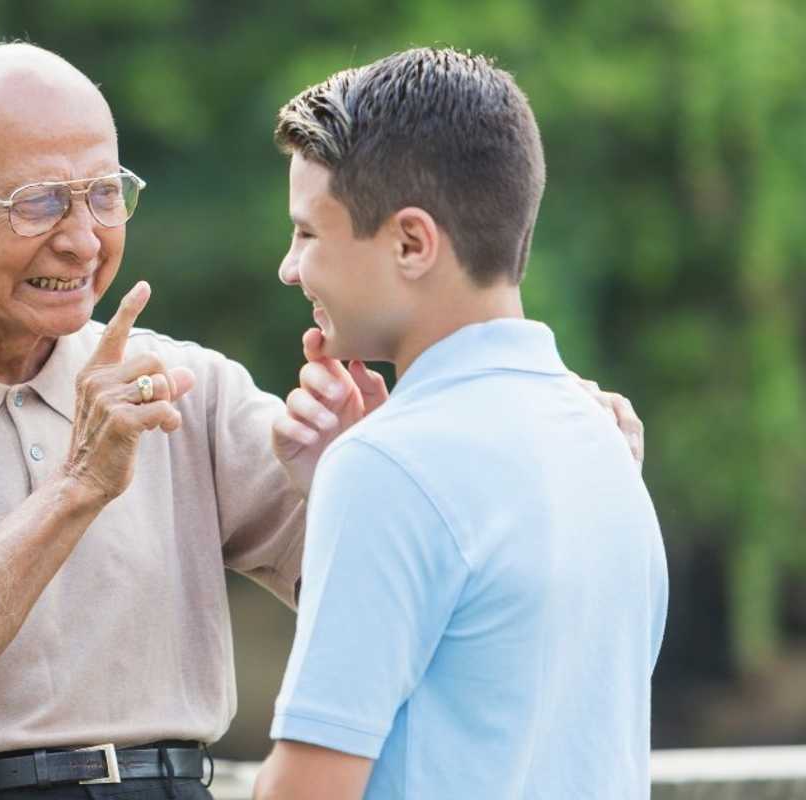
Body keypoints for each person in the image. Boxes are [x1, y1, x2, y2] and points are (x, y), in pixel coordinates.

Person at [0, 43, 645, 799]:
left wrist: (355, 468)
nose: (84, 238)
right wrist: (77, 490)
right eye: (39, 202)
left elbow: (390, 586)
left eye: (104, 194)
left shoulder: (187, 382)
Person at [252, 49, 668, 800]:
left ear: (411, 242)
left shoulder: (387, 467)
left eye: (308, 234)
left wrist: (362, 480)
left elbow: (305, 792)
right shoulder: (608, 444)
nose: (290, 267)